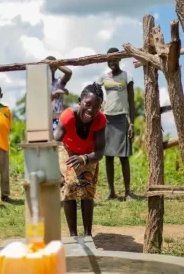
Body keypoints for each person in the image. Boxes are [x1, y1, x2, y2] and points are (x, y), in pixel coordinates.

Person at [54, 82, 106, 237]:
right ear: (80, 101)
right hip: (67, 150)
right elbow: (54, 142)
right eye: (88, 104)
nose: (91, 110)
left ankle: (88, 234)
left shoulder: (100, 120)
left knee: (87, 191)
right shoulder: (68, 117)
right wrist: (55, 169)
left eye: (96, 107)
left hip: (88, 154)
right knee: (69, 187)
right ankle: (73, 235)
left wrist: (84, 158)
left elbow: (100, 152)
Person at [97, 47, 135, 201]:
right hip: (107, 119)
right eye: (109, 59)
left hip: (122, 118)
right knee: (108, 156)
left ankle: (127, 192)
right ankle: (111, 191)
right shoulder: (104, 78)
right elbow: (95, 91)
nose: (111, 62)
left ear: (120, 59)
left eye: (114, 59)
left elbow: (131, 102)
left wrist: (132, 123)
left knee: (124, 156)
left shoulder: (127, 76)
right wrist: (100, 104)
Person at [42, 56, 72, 131]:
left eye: (53, 67)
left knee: (59, 140)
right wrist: (55, 93)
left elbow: (69, 72)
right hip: (46, 118)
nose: (51, 69)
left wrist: (55, 64)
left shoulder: (59, 82)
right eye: (49, 67)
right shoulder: (42, 84)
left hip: (59, 117)